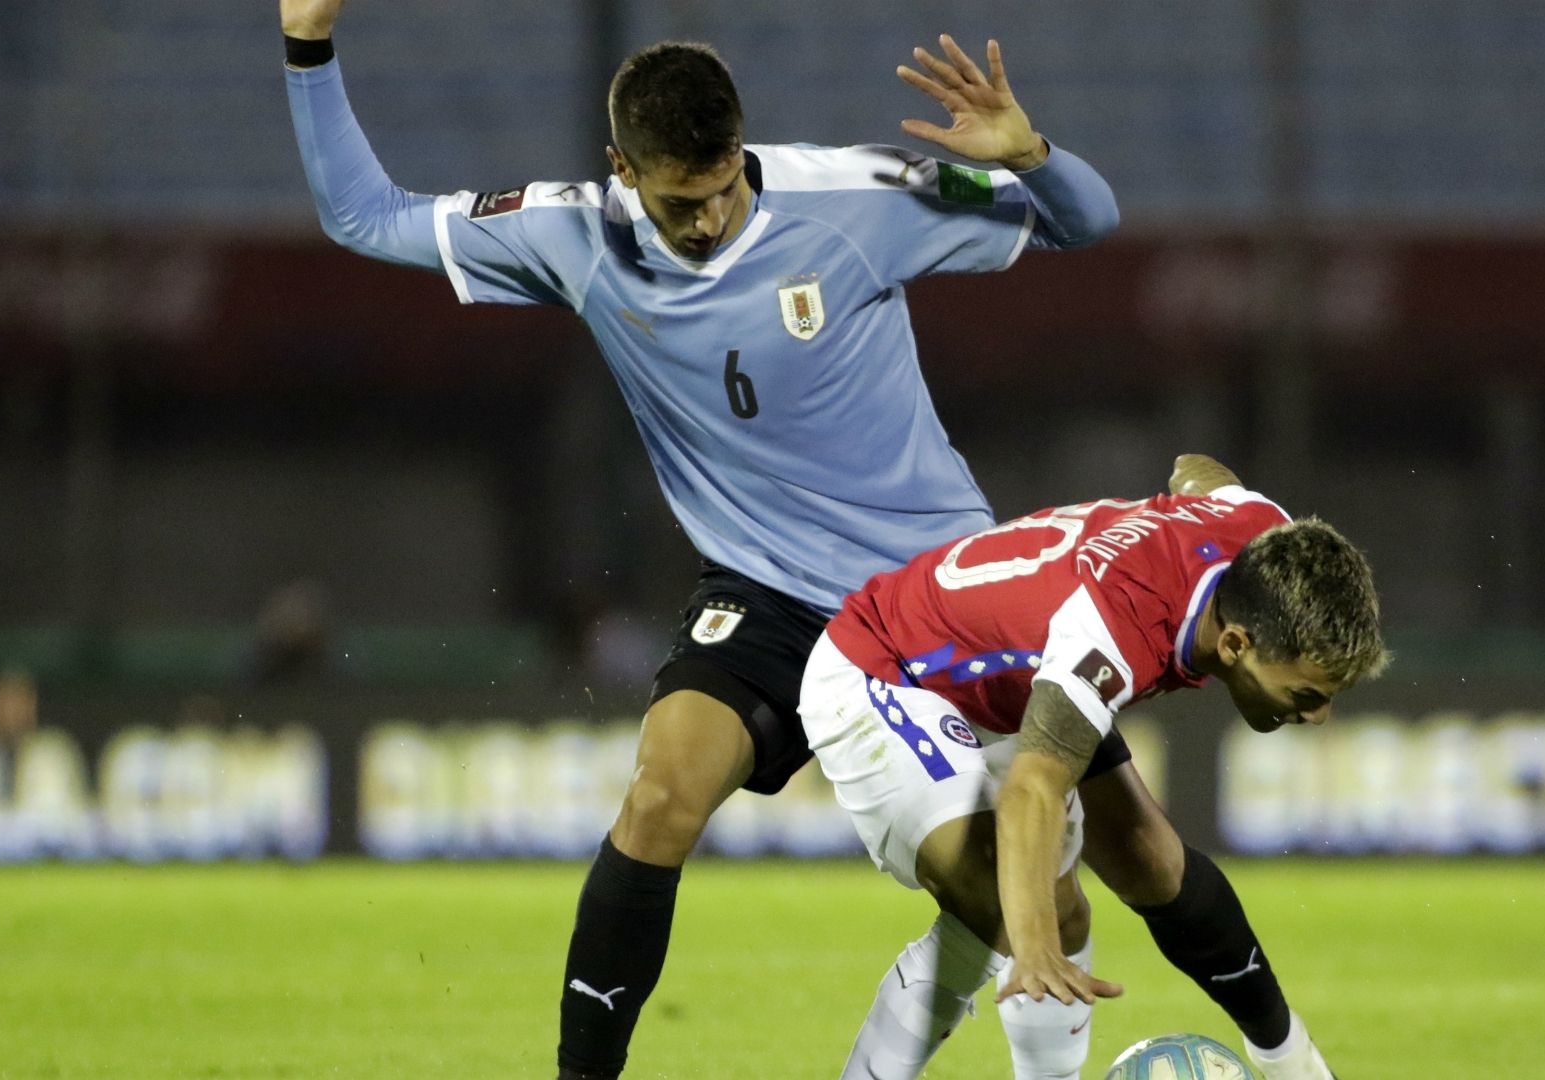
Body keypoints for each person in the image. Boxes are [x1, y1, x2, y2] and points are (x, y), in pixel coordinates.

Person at [275, 3, 1121, 1075]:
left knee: (1051, 895)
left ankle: (1261, 1044)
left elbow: (1086, 222)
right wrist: (307, 47)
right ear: (621, 169)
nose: (712, 218)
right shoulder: (572, 234)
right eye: (682, 201)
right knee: (660, 796)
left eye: (725, 187)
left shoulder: (855, 198)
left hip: (931, 596)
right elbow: (362, 216)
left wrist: (1030, 154)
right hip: (770, 599)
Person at [798, 454, 1388, 1079]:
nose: (1318, 716)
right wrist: (1032, 945)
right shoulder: (1114, 625)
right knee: (1001, 907)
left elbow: (1201, 473)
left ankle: (1296, 1065)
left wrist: (1188, 495)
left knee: (1145, 867)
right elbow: (1033, 788)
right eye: (1306, 694)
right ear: (1236, 643)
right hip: (890, 668)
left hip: (1012, 685)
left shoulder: (1262, 536)